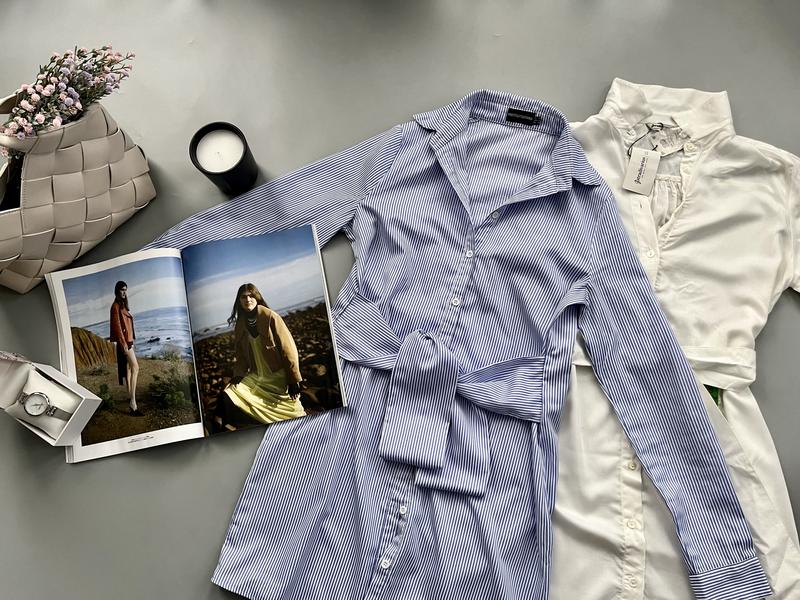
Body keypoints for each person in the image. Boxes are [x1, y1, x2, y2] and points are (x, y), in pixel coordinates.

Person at [221, 283, 306, 426]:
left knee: (294, 413)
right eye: (243, 297)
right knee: (229, 393)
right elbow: (241, 356)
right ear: (239, 301)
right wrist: (238, 375)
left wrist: (293, 380)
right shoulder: (240, 324)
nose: (248, 300)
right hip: (257, 375)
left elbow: (288, 349)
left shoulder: (271, 316)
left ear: (257, 298)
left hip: (277, 375)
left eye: (251, 296)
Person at [109, 280, 143, 416]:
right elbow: (118, 327)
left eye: (125, 290)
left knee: (129, 369)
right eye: (122, 290)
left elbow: (127, 326)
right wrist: (124, 344)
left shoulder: (122, 305)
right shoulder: (115, 306)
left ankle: (131, 398)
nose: (124, 292)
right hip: (124, 343)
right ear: (117, 290)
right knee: (136, 368)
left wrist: (131, 341)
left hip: (128, 341)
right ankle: (133, 402)